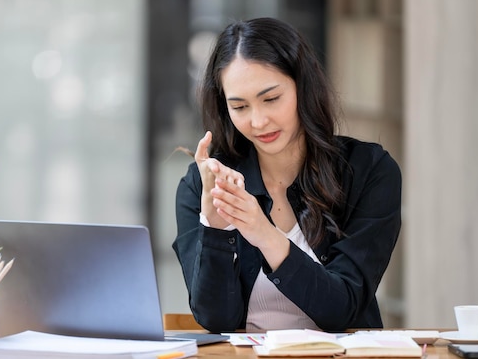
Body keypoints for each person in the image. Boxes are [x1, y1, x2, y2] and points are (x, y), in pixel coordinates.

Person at [172, 17, 402, 333]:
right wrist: (216, 227)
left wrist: (263, 232)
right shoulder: (203, 183)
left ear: (303, 87)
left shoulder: (368, 170)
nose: (258, 121)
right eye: (240, 107)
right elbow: (216, 319)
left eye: (271, 99)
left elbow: (344, 308)